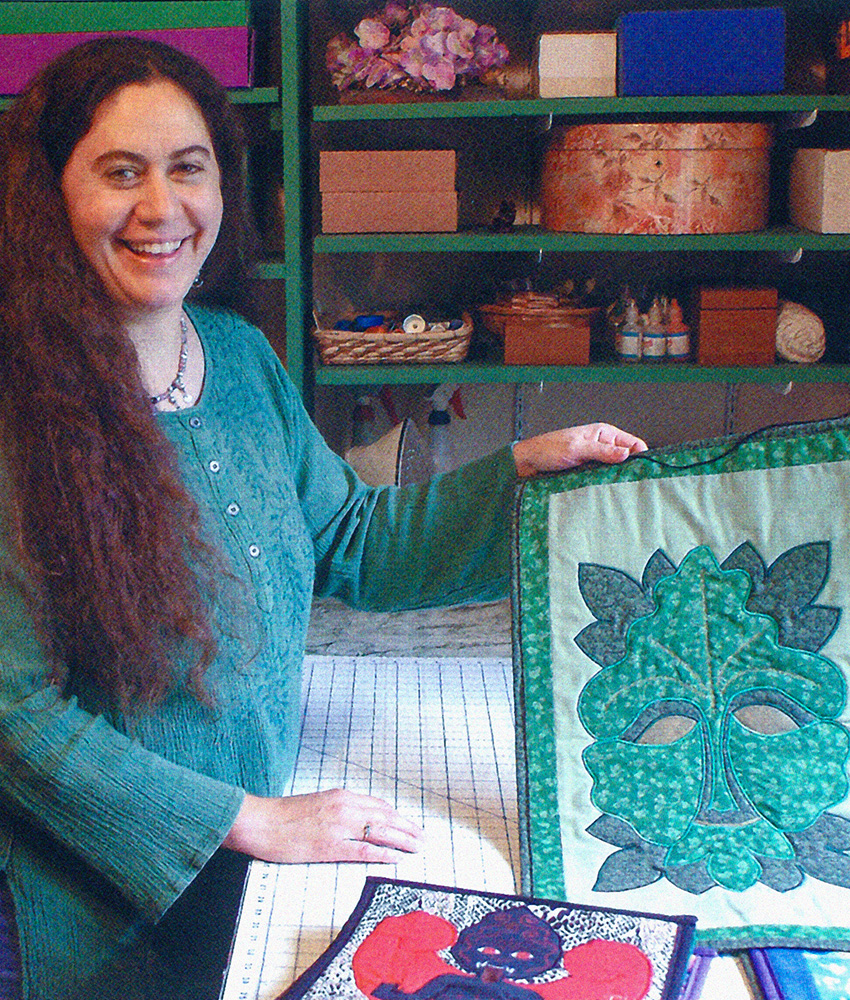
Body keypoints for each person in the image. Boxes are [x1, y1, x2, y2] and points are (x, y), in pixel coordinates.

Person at [0, 36, 648, 1000]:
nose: (161, 208)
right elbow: (15, 714)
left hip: (259, 845)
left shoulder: (235, 357)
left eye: (190, 169)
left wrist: (525, 474)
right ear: (52, 196)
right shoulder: (20, 406)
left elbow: (350, 541)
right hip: (108, 901)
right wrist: (247, 820)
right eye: (119, 173)